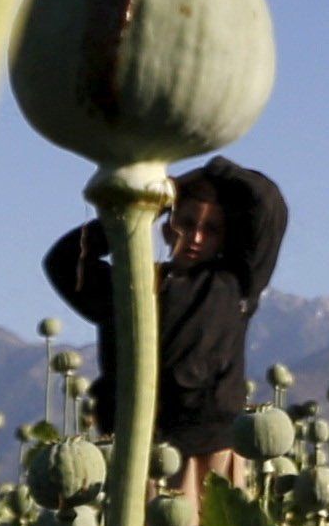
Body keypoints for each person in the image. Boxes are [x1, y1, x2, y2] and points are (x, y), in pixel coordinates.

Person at [37, 157, 286, 485]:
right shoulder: (130, 286)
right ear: (169, 226)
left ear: (225, 238)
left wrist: (211, 172)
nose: (196, 237)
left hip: (209, 448)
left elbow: (268, 206)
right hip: (137, 449)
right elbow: (65, 259)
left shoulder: (235, 283)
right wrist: (144, 206)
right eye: (187, 223)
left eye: (210, 229)